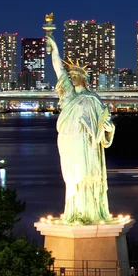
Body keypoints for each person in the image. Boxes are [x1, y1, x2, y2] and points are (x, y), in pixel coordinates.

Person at [45, 34, 115, 224]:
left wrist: (107, 126)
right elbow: (59, 69)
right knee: (73, 176)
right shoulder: (68, 96)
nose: (73, 78)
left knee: (87, 175)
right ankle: (75, 211)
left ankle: (89, 211)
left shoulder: (93, 99)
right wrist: (54, 47)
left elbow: (106, 122)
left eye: (77, 76)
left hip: (87, 143)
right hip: (70, 142)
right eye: (72, 76)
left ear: (84, 80)